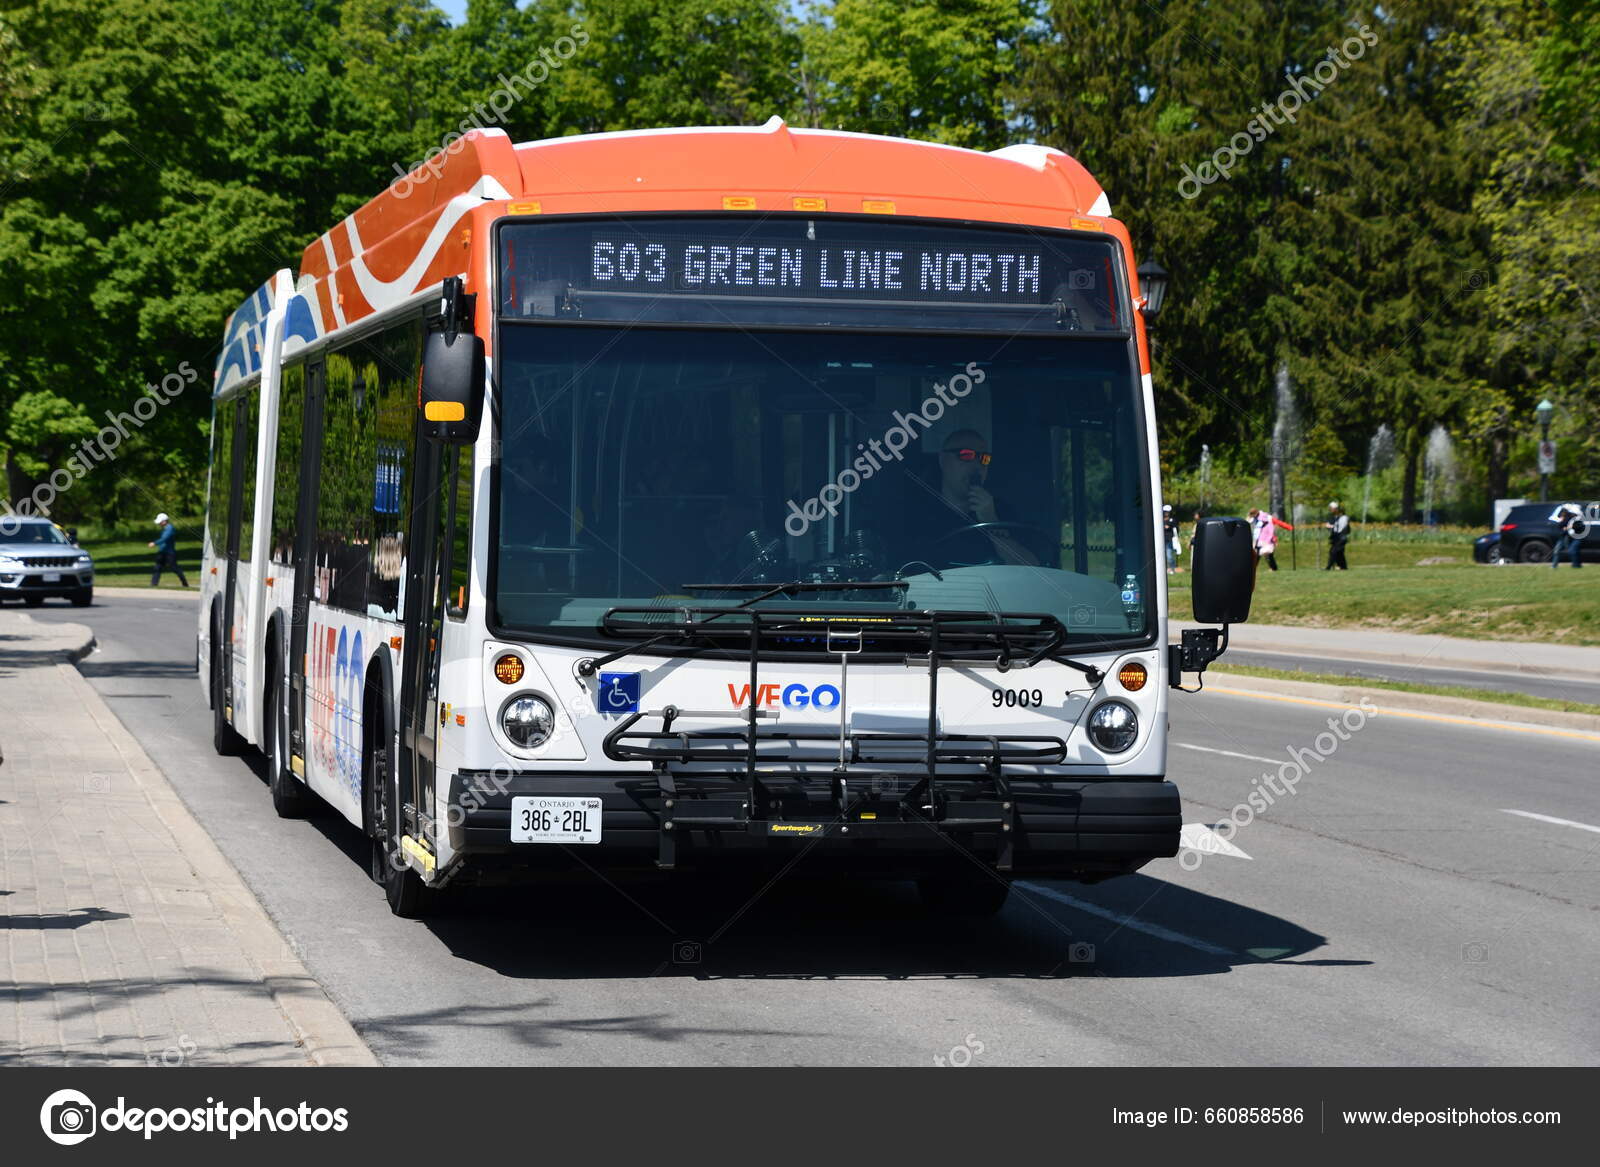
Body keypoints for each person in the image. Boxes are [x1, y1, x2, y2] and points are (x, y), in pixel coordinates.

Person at [928, 429, 1037, 566]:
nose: (977, 466)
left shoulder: (1002, 512)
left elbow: (1031, 569)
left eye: (984, 458)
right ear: (943, 460)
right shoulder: (920, 512)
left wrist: (991, 521)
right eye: (966, 455)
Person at [148, 512, 189, 587]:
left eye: (160, 522)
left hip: (169, 552)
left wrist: (154, 543)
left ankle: (185, 583)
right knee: (157, 567)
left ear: (164, 521)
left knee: (174, 568)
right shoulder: (165, 529)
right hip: (162, 552)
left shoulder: (170, 529)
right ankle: (153, 584)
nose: (159, 523)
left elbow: (164, 539)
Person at [1550, 502, 1584, 569]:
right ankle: (1554, 566)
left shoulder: (1578, 519)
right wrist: (1564, 526)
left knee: (1571, 551)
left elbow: (1579, 526)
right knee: (1558, 550)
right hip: (1564, 537)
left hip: (1571, 537)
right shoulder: (1567, 518)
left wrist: (1570, 527)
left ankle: (1576, 565)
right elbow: (1561, 525)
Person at [1248, 507, 1279, 572]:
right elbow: (1249, 521)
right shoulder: (1256, 519)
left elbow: (1271, 531)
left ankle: (1273, 568)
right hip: (1259, 539)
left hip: (1266, 540)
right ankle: (1253, 568)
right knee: (1257, 554)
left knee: (1268, 555)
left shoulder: (1265, 519)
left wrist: (1271, 540)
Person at [1325, 501, 1350, 571]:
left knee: (1333, 551)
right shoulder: (1335, 517)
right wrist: (1329, 526)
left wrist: (1331, 526)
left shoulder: (1344, 517)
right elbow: (1332, 525)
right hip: (1336, 537)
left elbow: (1340, 528)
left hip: (1341, 537)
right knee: (1340, 553)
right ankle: (1343, 567)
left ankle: (1328, 567)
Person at [1162, 504, 1181, 573]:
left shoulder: (1172, 520)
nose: (1166, 513)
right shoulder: (1160, 519)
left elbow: (1176, 529)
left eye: (1167, 512)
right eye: (1165, 512)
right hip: (1161, 540)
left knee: (1169, 555)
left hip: (1169, 540)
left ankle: (1172, 569)